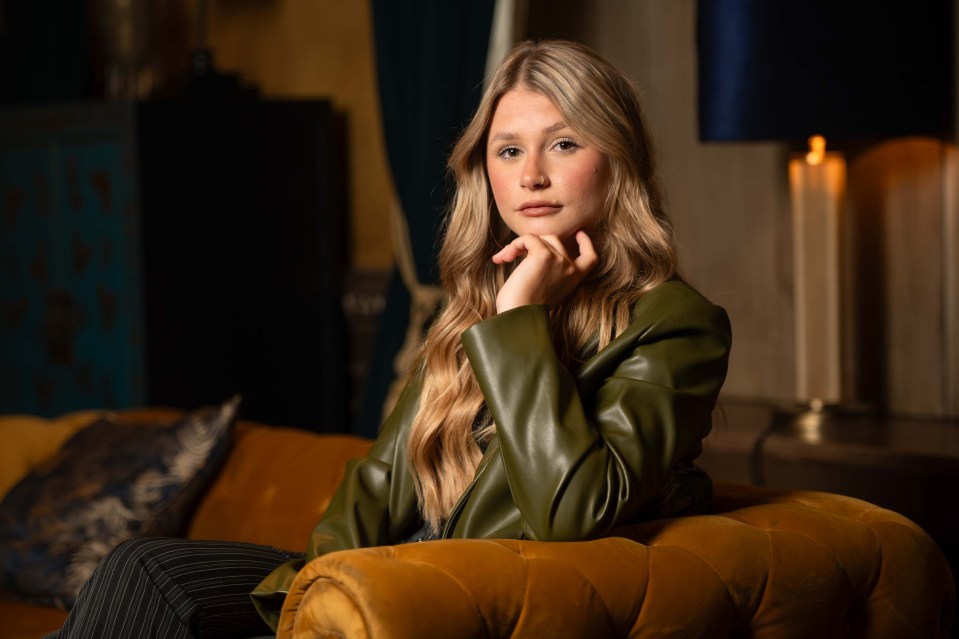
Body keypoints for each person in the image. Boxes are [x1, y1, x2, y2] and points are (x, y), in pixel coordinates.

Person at [49, 39, 731, 638]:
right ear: (483, 169)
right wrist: (318, 610)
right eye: (508, 150)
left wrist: (520, 316)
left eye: (563, 143)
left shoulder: (673, 323)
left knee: (143, 580)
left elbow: (573, 510)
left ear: (616, 158)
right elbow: (374, 488)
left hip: (450, 594)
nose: (530, 176)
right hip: (367, 588)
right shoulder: (469, 308)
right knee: (145, 571)